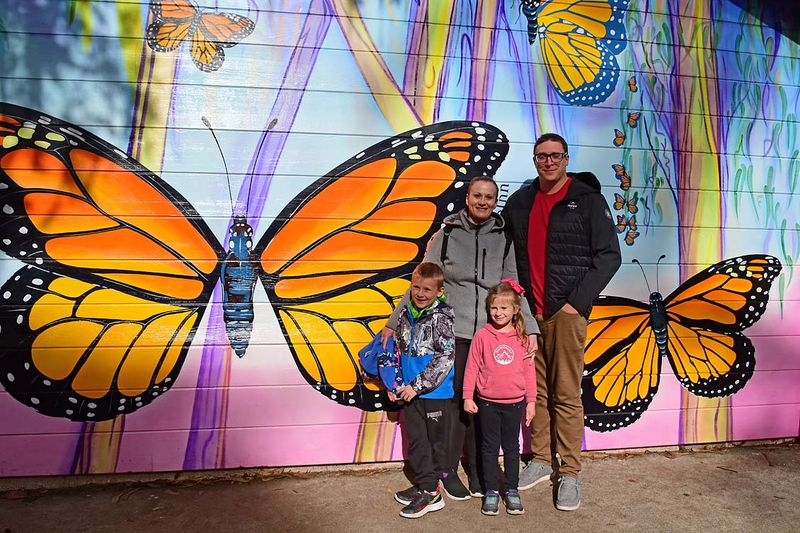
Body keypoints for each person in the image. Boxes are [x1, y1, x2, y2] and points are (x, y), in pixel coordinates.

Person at [384, 176, 539, 500]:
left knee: (482, 402)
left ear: (495, 201)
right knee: (453, 405)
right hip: (451, 333)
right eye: (477, 195)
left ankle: (480, 472)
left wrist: (532, 329)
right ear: (467, 198)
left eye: (489, 197)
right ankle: (447, 469)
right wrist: (394, 320)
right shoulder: (447, 234)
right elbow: (423, 281)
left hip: (489, 335)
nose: (483, 201)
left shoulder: (505, 239)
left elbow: (513, 284)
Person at [502, 133, 621, 511]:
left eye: (555, 156)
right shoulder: (521, 202)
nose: (548, 162)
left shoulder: (587, 200)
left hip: (566, 315)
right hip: (530, 314)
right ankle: (540, 459)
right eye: (541, 156)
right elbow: (508, 254)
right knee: (535, 392)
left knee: (567, 393)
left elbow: (609, 256)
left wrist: (576, 303)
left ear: (566, 159)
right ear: (534, 159)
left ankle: (568, 471)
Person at [462, 280, 537, 516]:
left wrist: (532, 402)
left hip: (515, 404)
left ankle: (512, 490)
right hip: (487, 403)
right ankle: (492, 491)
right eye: (494, 308)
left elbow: (529, 372)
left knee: (512, 448)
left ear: (515, 309)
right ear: (489, 309)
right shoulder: (482, 336)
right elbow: (472, 368)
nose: (498, 313)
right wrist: (467, 396)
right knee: (489, 448)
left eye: (504, 308)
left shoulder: (522, 338)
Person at [389, 262, 456, 519]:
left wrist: (417, 386)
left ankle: (431, 492)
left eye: (427, 289)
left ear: (439, 291)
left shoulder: (441, 318)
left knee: (432, 443)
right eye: (416, 287)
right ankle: (423, 484)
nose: (420, 293)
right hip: (410, 392)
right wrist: (396, 385)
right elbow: (398, 349)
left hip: (433, 394)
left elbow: (445, 357)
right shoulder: (406, 313)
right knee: (417, 442)